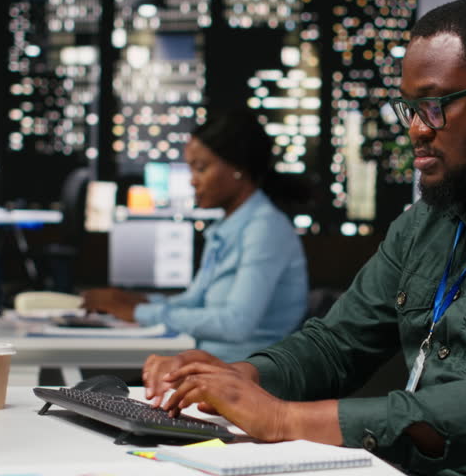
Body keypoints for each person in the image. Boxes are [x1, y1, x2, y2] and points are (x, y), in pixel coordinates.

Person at [142, 0, 466, 475]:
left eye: (437, 105)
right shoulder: (432, 220)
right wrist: (239, 378)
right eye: (410, 108)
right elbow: (335, 346)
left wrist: (280, 418)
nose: (417, 128)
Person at [81, 108, 309, 363]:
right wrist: (135, 300)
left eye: (200, 168)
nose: (192, 181)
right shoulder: (228, 226)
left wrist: (139, 312)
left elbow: (236, 323)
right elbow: (196, 301)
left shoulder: (265, 229)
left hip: (246, 378)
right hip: (214, 367)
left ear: (238, 169)